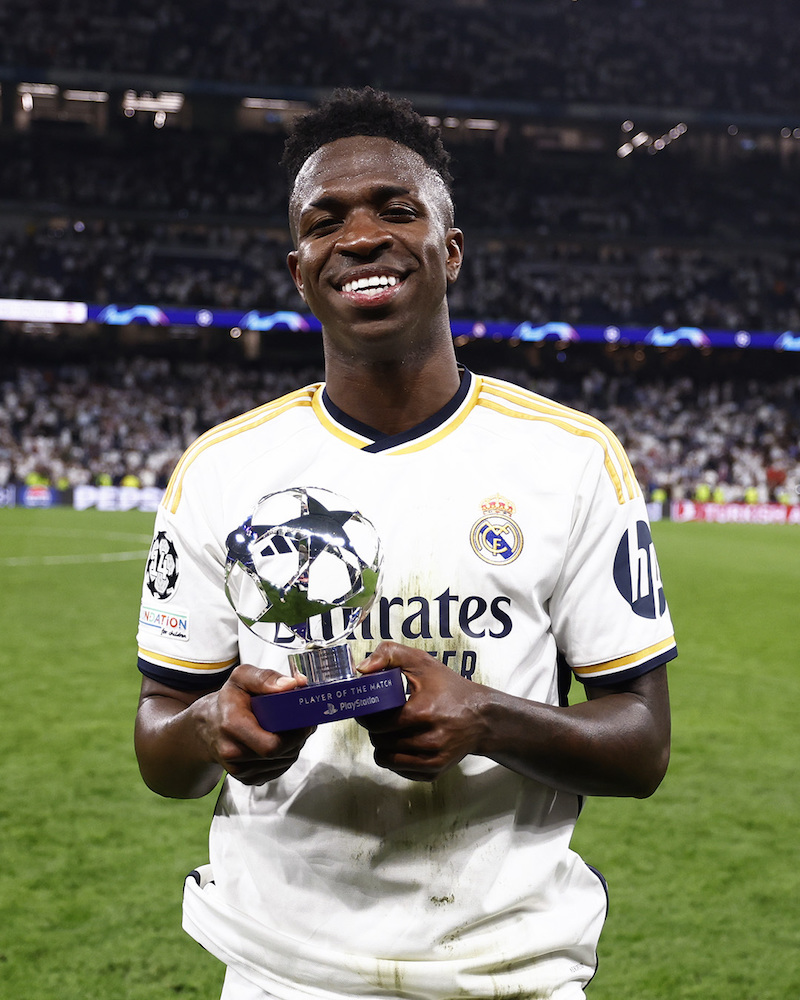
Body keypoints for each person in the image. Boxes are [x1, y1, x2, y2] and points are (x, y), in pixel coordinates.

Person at [134, 87, 676, 1000]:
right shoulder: (220, 470)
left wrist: (486, 717)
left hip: (510, 970)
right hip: (280, 973)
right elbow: (161, 743)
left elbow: (643, 744)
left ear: (449, 249)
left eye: (396, 209)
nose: (360, 237)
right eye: (326, 221)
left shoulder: (572, 458)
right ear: (300, 269)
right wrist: (208, 727)